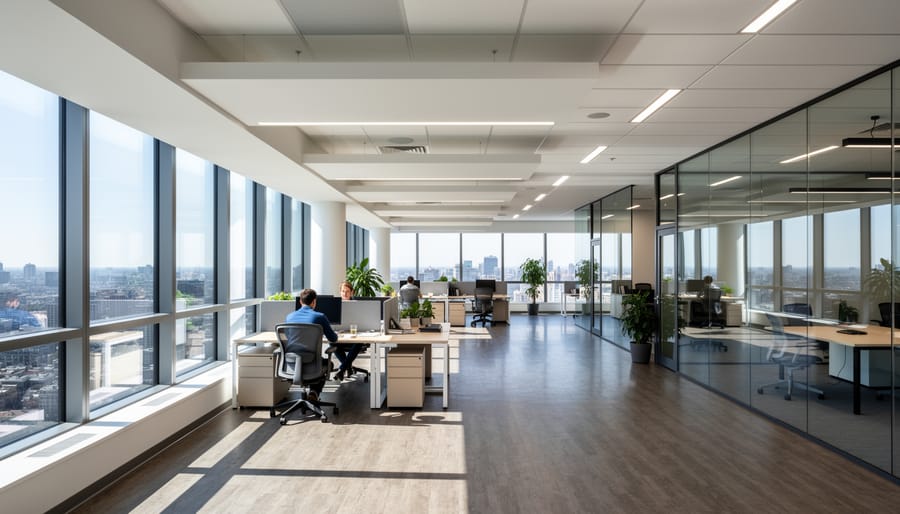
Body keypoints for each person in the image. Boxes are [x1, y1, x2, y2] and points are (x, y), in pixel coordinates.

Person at [284, 288, 337, 399]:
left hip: (291, 365)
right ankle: (314, 392)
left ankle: (312, 393)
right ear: (314, 302)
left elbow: (287, 337)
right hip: (312, 365)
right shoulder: (320, 317)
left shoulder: (289, 317)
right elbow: (333, 339)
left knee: (314, 361)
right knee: (329, 364)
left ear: (300, 301)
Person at [335, 281, 364, 381]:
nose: (345, 294)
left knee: (359, 342)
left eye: (347, 291)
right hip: (341, 336)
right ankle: (347, 367)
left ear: (352, 292)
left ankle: (343, 368)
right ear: (340, 292)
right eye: (343, 291)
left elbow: (362, 321)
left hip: (354, 336)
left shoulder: (356, 305)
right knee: (332, 342)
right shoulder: (336, 305)